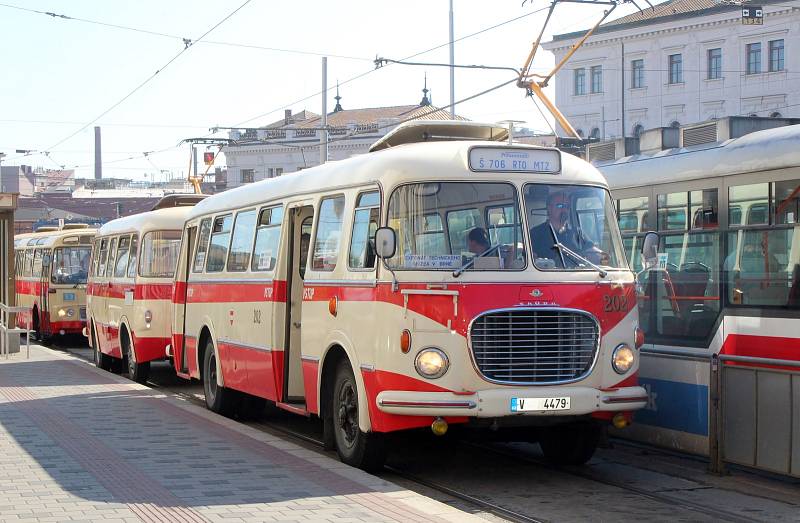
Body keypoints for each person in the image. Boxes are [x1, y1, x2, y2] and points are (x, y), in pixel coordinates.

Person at [530, 191, 599, 268]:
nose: (564, 210)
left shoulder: (577, 232)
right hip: (548, 277)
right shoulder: (536, 233)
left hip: (576, 276)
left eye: (567, 206)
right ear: (549, 208)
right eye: (560, 206)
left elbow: (592, 251)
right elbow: (530, 258)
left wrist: (601, 257)